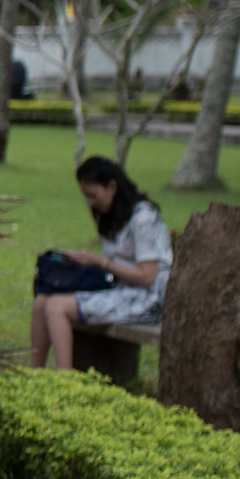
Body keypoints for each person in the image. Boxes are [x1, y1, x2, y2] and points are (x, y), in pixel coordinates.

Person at [30, 156, 172, 369]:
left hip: (149, 300)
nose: (90, 202)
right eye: (86, 196)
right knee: (43, 300)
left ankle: (63, 384)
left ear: (112, 186)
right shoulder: (115, 217)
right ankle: (35, 374)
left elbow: (147, 276)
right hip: (120, 289)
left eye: (93, 195)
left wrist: (101, 263)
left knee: (56, 307)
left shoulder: (144, 219)